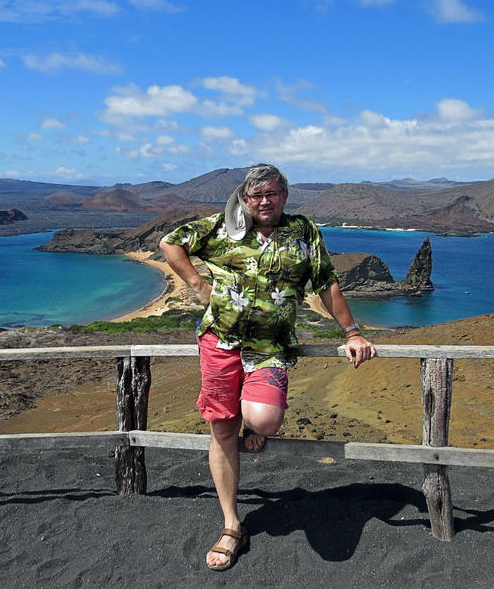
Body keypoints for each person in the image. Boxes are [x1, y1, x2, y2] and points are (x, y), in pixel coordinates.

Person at [159, 163, 375, 571]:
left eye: (271, 194)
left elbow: (326, 283)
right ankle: (231, 525)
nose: (263, 201)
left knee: (265, 420)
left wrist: (352, 333)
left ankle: (252, 425)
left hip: (270, 348)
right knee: (221, 428)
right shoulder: (222, 227)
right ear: (244, 197)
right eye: (255, 195)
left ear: (284, 196)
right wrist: (197, 285)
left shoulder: (303, 231)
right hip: (220, 344)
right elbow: (171, 242)